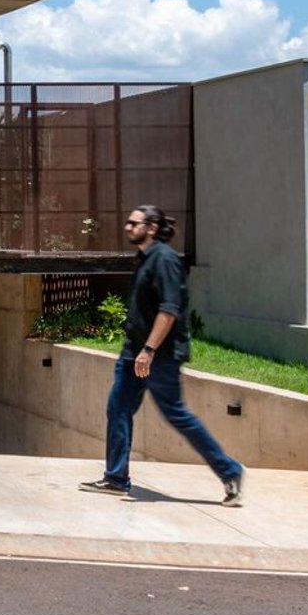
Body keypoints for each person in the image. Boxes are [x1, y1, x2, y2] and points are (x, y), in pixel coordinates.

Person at [79, 205, 245, 505]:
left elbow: (169, 310)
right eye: (127, 223)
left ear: (151, 228)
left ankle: (230, 470)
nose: (128, 227)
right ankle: (116, 478)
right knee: (117, 409)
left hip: (160, 355)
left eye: (134, 223)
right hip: (134, 351)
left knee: (176, 414)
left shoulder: (165, 260)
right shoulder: (144, 259)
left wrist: (149, 350)